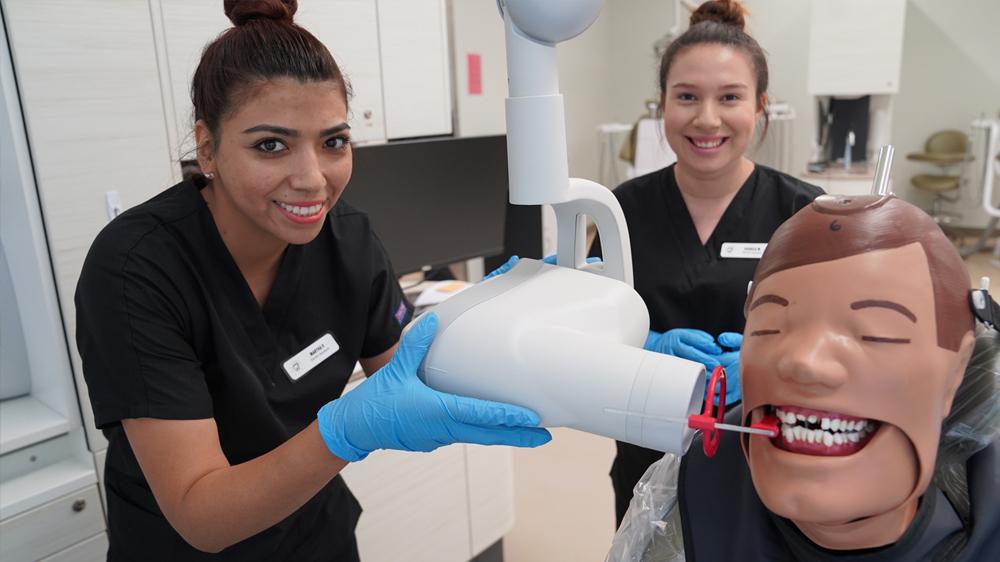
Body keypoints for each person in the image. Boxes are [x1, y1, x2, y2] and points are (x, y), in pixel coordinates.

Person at [73, 1, 550, 560]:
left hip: (314, 533)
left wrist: (533, 332)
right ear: (208, 147)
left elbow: (415, 372)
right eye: (270, 145)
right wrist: (342, 432)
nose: (311, 179)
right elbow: (200, 514)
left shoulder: (347, 240)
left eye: (333, 142)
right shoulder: (137, 269)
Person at [608, 194, 1000, 561]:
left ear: (957, 371)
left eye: (875, 331)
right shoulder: (699, 485)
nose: (805, 362)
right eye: (771, 327)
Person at [592, 0, 824, 525]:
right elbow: (589, 336)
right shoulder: (621, 210)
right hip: (645, 452)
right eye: (688, 97)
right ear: (662, 105)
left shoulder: (806, 214)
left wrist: (766, 365)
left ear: (760, 105)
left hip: (767, 453)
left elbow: (841, 341)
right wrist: (646, 350)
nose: (707, 118)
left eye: (730, 97)